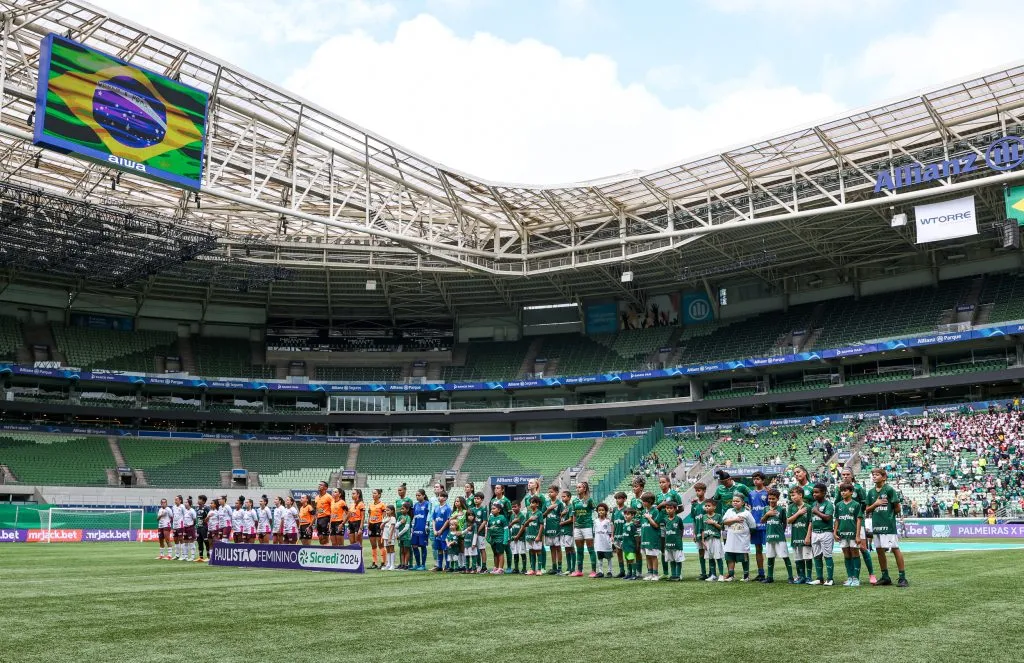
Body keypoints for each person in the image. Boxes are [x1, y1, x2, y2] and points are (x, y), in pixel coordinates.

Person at [865, 468, 908, 587]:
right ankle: (885, 576)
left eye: (877, 475)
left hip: (888, 526)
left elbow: (897, 507)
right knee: (879, 550)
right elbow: (867, 510)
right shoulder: (871, 492)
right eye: (873, 475)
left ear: (884, 477)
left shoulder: (889, 489)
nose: (874, 476)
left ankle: (902, 577)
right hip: (876, 525)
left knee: (895, 549)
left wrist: (889, 516)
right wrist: (876, 504)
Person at [837, 467, 877, 584]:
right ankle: (851, 576)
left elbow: (864, 503)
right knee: (848, 550)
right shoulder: (839, 488)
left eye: (847, 474)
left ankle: (871, 574)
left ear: (852, 476)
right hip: (845, 523)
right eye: (843, 475)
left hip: (858, 522)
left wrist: (858, 514)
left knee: (863, 548)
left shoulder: (858, 488)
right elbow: (838, 503)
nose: (845, 477)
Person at [834, 482, 864, 587]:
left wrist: (857, 535)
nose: (843, 492)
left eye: (845, 490)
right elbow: (837, 519)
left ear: (851, 492)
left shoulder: (856, 504)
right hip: (842, 534)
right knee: (846, 555)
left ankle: (856, 578)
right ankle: (850, 577)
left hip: (852, 534)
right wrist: (835, 532)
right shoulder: (838, 505)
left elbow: (858, 520)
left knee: (855, 553)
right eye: (841, 490)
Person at [761, 488, 793, 584]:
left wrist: (781, 532)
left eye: (773, 499)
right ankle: (770, 577)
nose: (771, 500)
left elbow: (784, 523)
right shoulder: (765, 509)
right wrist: (767, 514)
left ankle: (790, 577)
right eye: (769, 498)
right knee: (770, 557)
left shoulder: (781, 509)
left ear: (777, 499)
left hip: (780, 537)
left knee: (785, 556)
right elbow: (762, 520)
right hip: (769, 537)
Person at [722, 494, 755, 581]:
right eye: (734, 501)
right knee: (730, 557)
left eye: (737, 501)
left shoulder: (747, 513)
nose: (735, 503)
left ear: (743, 502)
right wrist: (735, 520)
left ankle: (746, 576)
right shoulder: (729, 511)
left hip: (742, 540)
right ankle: (731, 575)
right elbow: (724, 521)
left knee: (744, 558)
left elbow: (753, 526)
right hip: (731, 539)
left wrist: (746, 534)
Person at [807, 483, 835, 586]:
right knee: (817, 556)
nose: (814, 494)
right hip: (815, 532)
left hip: (826, 532)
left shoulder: (828, 504)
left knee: (827, 556)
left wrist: (817, 512)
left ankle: (830, 579)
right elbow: (811, 520)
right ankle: (819, 578)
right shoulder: (813, 505)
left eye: (817, 492)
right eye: (813, 492)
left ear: (824, 493)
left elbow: (828, 517)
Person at [571, 481, 598, 577]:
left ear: (584, 489)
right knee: (579, 549)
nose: (577, 489)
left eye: (579, 487)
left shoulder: (589, 500)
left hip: (587, 526)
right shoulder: (574, 501)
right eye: (577, 487)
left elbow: (596, 510)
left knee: (591, 549)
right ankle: (579, 570)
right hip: (578, 527)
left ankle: (594, 571)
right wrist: (574, 527)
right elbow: (574, 515)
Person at [787, 486, 812, 584]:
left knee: (808, 557)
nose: (792, 497)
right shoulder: (790, 507)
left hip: (805, 536)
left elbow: (811, 522)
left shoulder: (808, 507)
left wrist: (808, 536)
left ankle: (809, 577)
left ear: (800, 495)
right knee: (798, 558)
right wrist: (799, 513)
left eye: (793, 495)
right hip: (795, 537)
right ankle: (801, 577)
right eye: (791, 496)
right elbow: (789, 521)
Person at [748, 471, 769, 581]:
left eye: (758, 479)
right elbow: (750, 509)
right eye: (754, 479)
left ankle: (769, 574)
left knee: (769, 549)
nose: (755, 481)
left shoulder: (768, 492)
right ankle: (761, 573)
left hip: (766, 525)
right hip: (755, 525)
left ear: (763, 480)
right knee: (758, 549)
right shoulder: (751, 493)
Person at [639, 492, 661, 581]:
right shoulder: (643, 511)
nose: (643, 503)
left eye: (644, 501)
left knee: (653, 556)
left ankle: (655, 574)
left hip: (652, 537)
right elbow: (642, 524)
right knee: (647, 555)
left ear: (650, 501)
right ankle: (650, 573)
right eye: (642, 501)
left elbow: (656, 525)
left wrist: (649, 518)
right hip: (645, 536)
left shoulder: (655, 511)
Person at [543, 485, 564, 575]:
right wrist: (548, 510)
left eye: (551, 492)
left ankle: (559, 568)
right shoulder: (546, 503)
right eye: (549, 492)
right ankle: (554, 567)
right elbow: (543, 515)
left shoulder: (559, 503)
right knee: (551, 548)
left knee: (558, 548)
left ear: (556, 493)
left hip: (557, 528)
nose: (549, 493)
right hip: (548, 528)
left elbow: (562, 515)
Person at [661, 501, 685, 581]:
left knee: (678, 560)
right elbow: (664, 531)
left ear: (675, 509)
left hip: (677, 543)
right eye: (667, 508)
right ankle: (673, 575)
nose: (669, 510)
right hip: (668, 543)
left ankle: (678, 575)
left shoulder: (678, 519)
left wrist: (679, 538)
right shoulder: (664, 520)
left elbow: (682, 529)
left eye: (671, 508)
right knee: (671, 560)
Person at [702, 500, 724, 581]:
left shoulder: (718, 516)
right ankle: (713, 575)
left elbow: (722, 527)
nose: (707, 507)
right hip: (707, 539)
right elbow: (702, 529)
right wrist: (703, 540)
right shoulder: (704, 517)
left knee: (718, 557)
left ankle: (721, 575)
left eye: (709, 506)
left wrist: (713, 523)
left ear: (714, 507)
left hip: (716, 538)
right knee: (710, 558)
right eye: (706, 506)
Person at [430, 491, 452, 572]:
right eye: (438, 496)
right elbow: (433, 519)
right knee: (439, 549)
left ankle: (447, 566)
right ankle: (439, 566)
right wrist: (435, 530)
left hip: (444, 532)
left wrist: (441, 530)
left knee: (445, 549)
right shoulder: (436, 507)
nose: (439, 497)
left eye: (441, 496)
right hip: (437, 532)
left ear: (445, 498)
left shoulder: (448, 508)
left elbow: (447, 520)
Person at [690, 482, 708, 579]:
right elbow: (693, 519)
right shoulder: (694, 505)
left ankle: (712, 572)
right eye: (696, 491)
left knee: (709, 552)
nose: (697, 492)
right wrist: (693, 533)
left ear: (704, 491)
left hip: (707, 531)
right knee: (701, 552)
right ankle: (703, 573)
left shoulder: (708, 503)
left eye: (699, 490)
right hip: (697, 532)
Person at [486, 502, 508, 574]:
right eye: (491, 509)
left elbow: (506, 529)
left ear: (499, 510)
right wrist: (488, 537)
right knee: (495, 553)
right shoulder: (491, 518)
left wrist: (505, 539)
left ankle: (501, 569)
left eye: (494, 509)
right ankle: (496, 568)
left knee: (500, 553)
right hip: (493, 539)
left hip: (500, 538)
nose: (492, 510)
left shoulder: (502, 517)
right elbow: (488, 528)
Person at [367, 488, 387, 569]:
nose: (373, 495)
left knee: (381, 545)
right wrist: (368, 525)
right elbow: (370, 516)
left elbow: (384, 517)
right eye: (373, 493)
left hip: (378, 525)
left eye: (375, 493)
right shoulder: (370, 505)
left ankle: (383, 562)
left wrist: (383, 526)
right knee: (373, 545)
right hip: (371, 525)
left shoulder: (382, 505)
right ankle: (374, 563)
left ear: (379, 495)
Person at [525, 497, 545, 575]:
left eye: (533, 503)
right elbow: (525, 524)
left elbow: (541, 525)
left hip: (536, 536)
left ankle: (539, 569)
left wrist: (539, 536)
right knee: (532, 551)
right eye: (530, 502)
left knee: (538, 551)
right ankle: (533, 569)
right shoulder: (528, 513)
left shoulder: (539, 513)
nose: (531, 504)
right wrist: (529, 520)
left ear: (537, 504)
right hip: (529, 535)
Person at [411, 489, 430, 571]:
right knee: (414, 546)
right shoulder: (415, 505)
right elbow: (414, 517)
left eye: (419, 495)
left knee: (422, 546)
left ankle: (423, 565)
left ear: (423, 495)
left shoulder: (427, 504)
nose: (417, 497)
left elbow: (429, 516)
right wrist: (412, 527)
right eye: (416, 495)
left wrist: (427, 526)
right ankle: (418, 564)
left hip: (423, 528)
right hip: (416, 528)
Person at [558, 490, 575, 576]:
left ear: (569, 497)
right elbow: (563, 518)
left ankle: (572, 568)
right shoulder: (565, 507)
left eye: (564, 496)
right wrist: (561, 515)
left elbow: (571, 519)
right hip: (564, 531)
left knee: (570, 548)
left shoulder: (571, 507)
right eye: (562, 496)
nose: (562, 498)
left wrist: (562, 523)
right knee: (567, 549)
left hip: (569, 530)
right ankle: (569, 568)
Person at [621, 508, 641, 580]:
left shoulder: (633, 525)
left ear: (632, 516)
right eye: (625, 514)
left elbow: (636, 536)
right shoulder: (624, 525)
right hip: (625, 546)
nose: (626, 516)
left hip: (631, 546)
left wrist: (637, 545)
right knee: (627, 559)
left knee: (632, 559)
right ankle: (629, 573)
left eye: (628, 514)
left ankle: (634, 574)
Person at [471, 492, 489, 573]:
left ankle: (484, 566)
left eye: (478, 498)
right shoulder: (472, 509)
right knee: (474, 549)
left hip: (480, 533)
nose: (476, 500)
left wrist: (477, 531)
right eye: (475, 498)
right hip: (473, 533)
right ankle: (477, 565)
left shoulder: (483, 509)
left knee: (482, 549)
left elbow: (484, 521)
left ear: (482, 500)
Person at [611, 492, 628, 578]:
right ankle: (622, 571)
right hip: (617, 535)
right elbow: (613, 523)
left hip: (625, 535)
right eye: (616, 498)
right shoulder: (614, 510)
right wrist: (612, 535)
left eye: (619, 498)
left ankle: (630, 571)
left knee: (627, 554)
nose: (617, 500)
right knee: (618, 553)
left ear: (624, 499)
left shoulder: (627, 509)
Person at [507, 501, 525, 574]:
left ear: (520, 506)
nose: (513, 508)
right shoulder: (512, 516)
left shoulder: (522, 516)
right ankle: (516, 568)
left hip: (520, 538)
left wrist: (518, 535)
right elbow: (509, 526)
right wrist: (513, 522)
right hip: (513, 537)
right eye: (512, 507)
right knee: (515, 552)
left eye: (515, 506)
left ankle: (524, 568)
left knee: (522, 552)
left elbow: (523, 527)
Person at [314, 481, 333, 546]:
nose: (319, 486)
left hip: (326, 518)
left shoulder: (329, 497)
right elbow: (317, 509)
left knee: (325, 538)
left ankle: (328, 553)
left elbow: (333, 509)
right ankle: (323, 553)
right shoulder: (316, 497)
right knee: (320, 538)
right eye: (319, 485)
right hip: (318, 519)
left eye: (321, 485)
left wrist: (330, 521)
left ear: (326, 488)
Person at [194, 495, 211, 561]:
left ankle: (208, 556)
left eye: (200, 499)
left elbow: (209, 517)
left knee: (206, 541)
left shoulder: (206, 508)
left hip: (204, 527)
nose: (198, 500)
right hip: (199, 527)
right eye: (198, 499)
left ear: (203, 501)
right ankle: (200, 557)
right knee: (199, 541)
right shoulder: (197, 508)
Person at [381, 505, 397, 571]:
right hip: (385, 536)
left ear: (392, 511)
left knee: (391, 549)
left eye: (388, 510)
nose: (386, 512)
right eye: (386, 510)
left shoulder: (393, 518)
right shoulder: (385, 518)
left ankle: (392, 565)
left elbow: (392, 528)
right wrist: (385, 522)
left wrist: (390, 538)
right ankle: (388, 564)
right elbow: (381, 527)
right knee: (387, 550)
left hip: (390, 537)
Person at [397, 501, 412, 570]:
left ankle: (406, 564)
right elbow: (396, 526)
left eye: (403, 509)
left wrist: (399, 534)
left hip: (406, 537)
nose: (401, 510)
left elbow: (406, 528)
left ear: (407, 509)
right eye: (401, 509)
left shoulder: (408, 517)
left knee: (406, 550)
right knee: (402, 551)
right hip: (401, 537)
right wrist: (400, 522)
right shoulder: (400, 517)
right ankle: (402, 564)